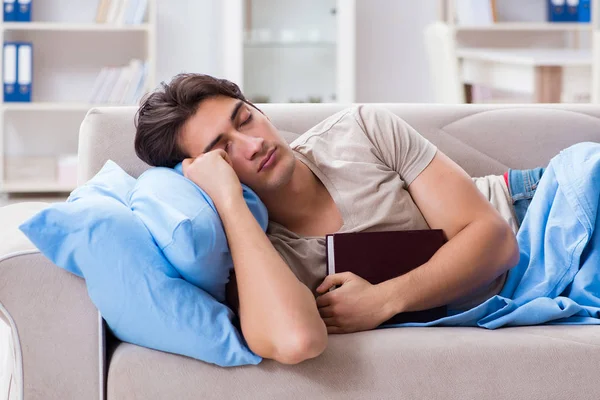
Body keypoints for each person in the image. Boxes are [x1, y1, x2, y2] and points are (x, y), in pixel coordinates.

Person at [134, 73, 538, 365]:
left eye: (245, 120)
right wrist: (228, 202)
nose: (254, 144)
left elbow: (496, 240)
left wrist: (384, 300)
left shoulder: (362, 129)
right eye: (224, 151)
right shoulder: (256, 253)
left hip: (533, 210)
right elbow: (295, 340)